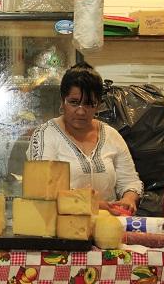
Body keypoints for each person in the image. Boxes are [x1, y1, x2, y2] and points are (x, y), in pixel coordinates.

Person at [26, 62, 143, 214]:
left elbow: (130, 181)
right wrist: (92, 204)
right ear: (63, 101)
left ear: (98, 105)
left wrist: (129, 198)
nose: (81, 111)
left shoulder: (111, 135)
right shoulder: (45, 135)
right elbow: (42, 188)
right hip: (64, 224)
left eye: (89, 104)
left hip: (107, 223)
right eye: (74, 103)